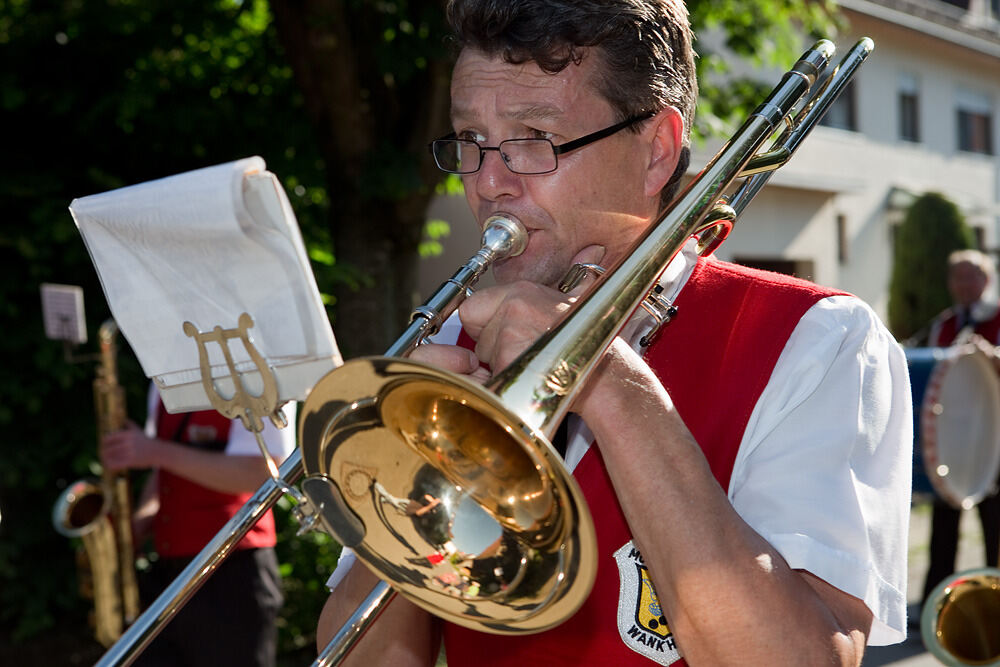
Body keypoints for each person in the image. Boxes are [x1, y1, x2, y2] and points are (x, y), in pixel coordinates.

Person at [315, 1, 912, 665]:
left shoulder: (814, 339)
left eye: (531, 140)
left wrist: (613, 386)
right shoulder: (461, 341)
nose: (486, 183)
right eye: (469, 141)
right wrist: (410, 486)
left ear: (655, 151)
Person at [100, 384, 296, 667]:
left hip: (233, 575)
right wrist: (139, 524)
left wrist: (154, 451)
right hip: (171, 572)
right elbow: (164, 471)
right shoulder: (164, 374)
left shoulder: (256, 371)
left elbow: (264, 473)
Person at [919, 249, 1000, 605]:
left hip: (993, 441)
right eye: (958, 277)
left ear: (987, 280)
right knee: (943, 529)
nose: (964, 284)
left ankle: (992, 606)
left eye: (972, 276)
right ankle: (938, 604)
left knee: (995, 528)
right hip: (951, 442)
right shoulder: (943, 323)